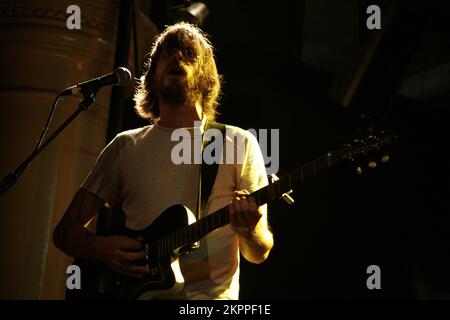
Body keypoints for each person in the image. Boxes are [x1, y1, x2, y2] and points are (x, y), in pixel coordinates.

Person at [53, 22, 273, 300]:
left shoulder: (239, 143)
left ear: (206, 77)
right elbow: (64, 233)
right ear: (151, 77)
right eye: (167, 53)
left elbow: (259, 253)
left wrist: (250, 229)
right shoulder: (125, 147)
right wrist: (101, 248)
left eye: (188, 54)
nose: (177, 57)